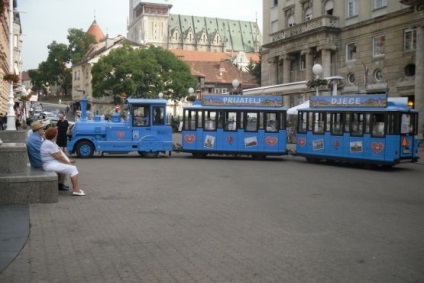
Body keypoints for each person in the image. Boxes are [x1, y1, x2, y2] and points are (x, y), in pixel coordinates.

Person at [40, 127, 86, 196]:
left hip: (51, 163)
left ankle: (76, 189)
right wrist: (69, 163)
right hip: (49, 165)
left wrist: (69, 161)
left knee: (72, 168)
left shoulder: (50, 142)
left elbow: (60, 153)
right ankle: (76, 190)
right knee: (73, 169)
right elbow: (59, 156)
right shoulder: (49, 144)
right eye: (56, 133)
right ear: (54, 135)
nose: (57, 135)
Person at [26, 121, 69, 191]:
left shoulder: (35, 137)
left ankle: (60, 183)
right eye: (42, 128)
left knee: (60, 160)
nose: (44, 130)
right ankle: (60, 184)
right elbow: (46, 150)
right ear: (38, 130)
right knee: (62, 162)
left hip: (37, 160)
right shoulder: (35, 139)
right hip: (39, 162)